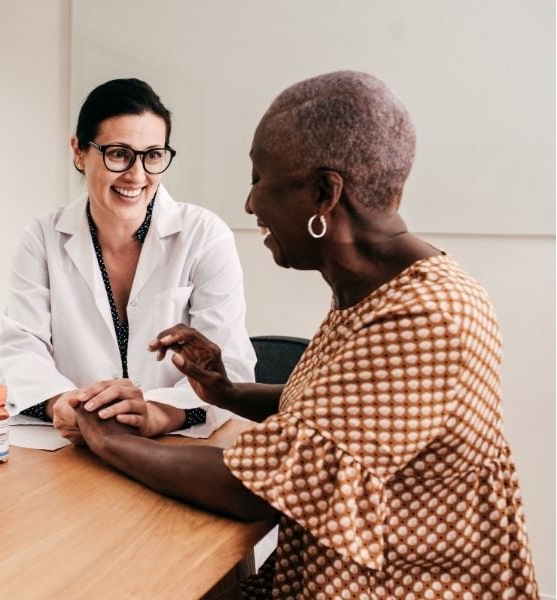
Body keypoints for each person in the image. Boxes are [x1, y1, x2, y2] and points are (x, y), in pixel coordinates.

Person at [72, 71, 539, 598]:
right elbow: (331, 420)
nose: (250, 205)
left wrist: (107, 440)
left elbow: (254, 487)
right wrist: (226, 391)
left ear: (324, 193)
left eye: (259, 179)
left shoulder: (428, 316)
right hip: (322, 574)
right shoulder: (373, 288)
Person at [0, 78, 256, 443]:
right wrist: (62, 404)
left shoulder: (204, 236)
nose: (137, 175)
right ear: (79, 152)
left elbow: (230, 368)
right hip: (73, 449)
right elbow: (19, 348)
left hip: (176, 449)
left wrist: (155, 414)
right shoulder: (41, 238)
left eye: (153, 155)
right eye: (118, 153)